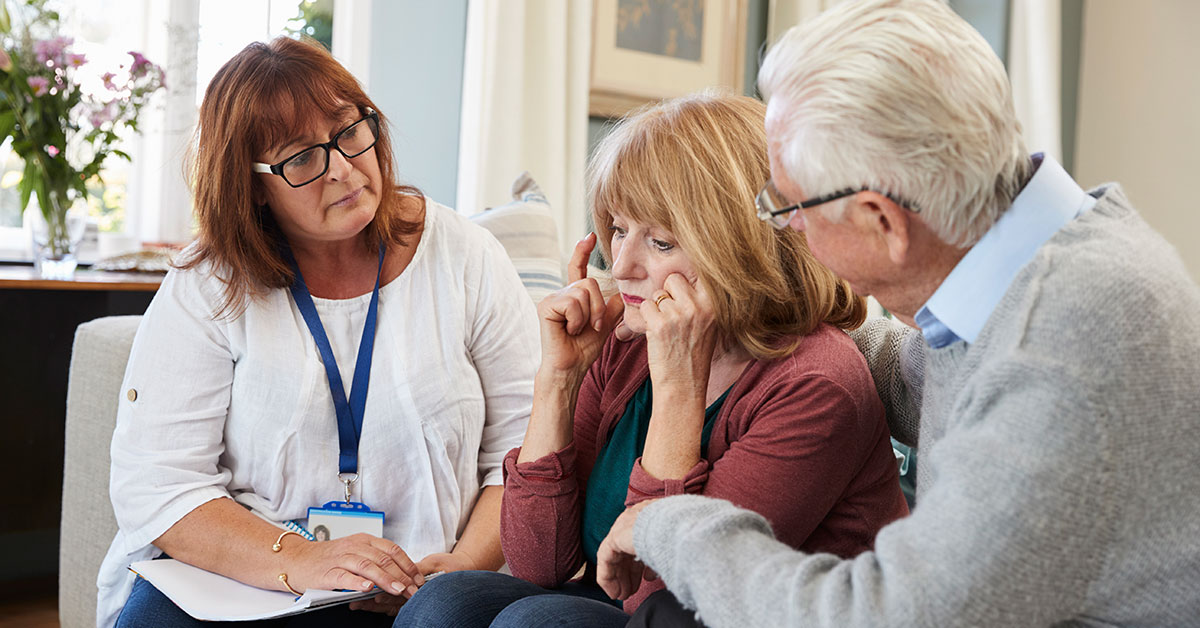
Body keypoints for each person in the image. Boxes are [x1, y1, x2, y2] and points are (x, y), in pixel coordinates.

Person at [597, 1, 1200, 626]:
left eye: (789, 208)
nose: (786, 231)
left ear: (881, 221)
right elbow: (920, 371)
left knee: (662, 617)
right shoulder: (1045, 257)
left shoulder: (1057, 350)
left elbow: (882, 616)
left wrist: (665, 524)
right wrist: (766, 306)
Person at [394, 92, 909, 628]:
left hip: (746, 616)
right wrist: (559, 382)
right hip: (642, 609)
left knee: (538, 623)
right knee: (445, 603)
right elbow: (538, 563)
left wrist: (679, 390)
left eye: (660, 242)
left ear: (742, 248)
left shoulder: (818, 384)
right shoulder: (626, 342)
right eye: (618, 230)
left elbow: (661, 600)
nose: (621, 266)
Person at [98, 37, 539, 628]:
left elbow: (523, 454)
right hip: (257, 575)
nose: (343, 168)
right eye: (301, 158)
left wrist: (458, 567)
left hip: (430, 582)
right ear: (252, 184)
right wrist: (306, 561)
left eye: (349, 130)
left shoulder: (464, 254)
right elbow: (159, 483)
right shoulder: (209, 282)